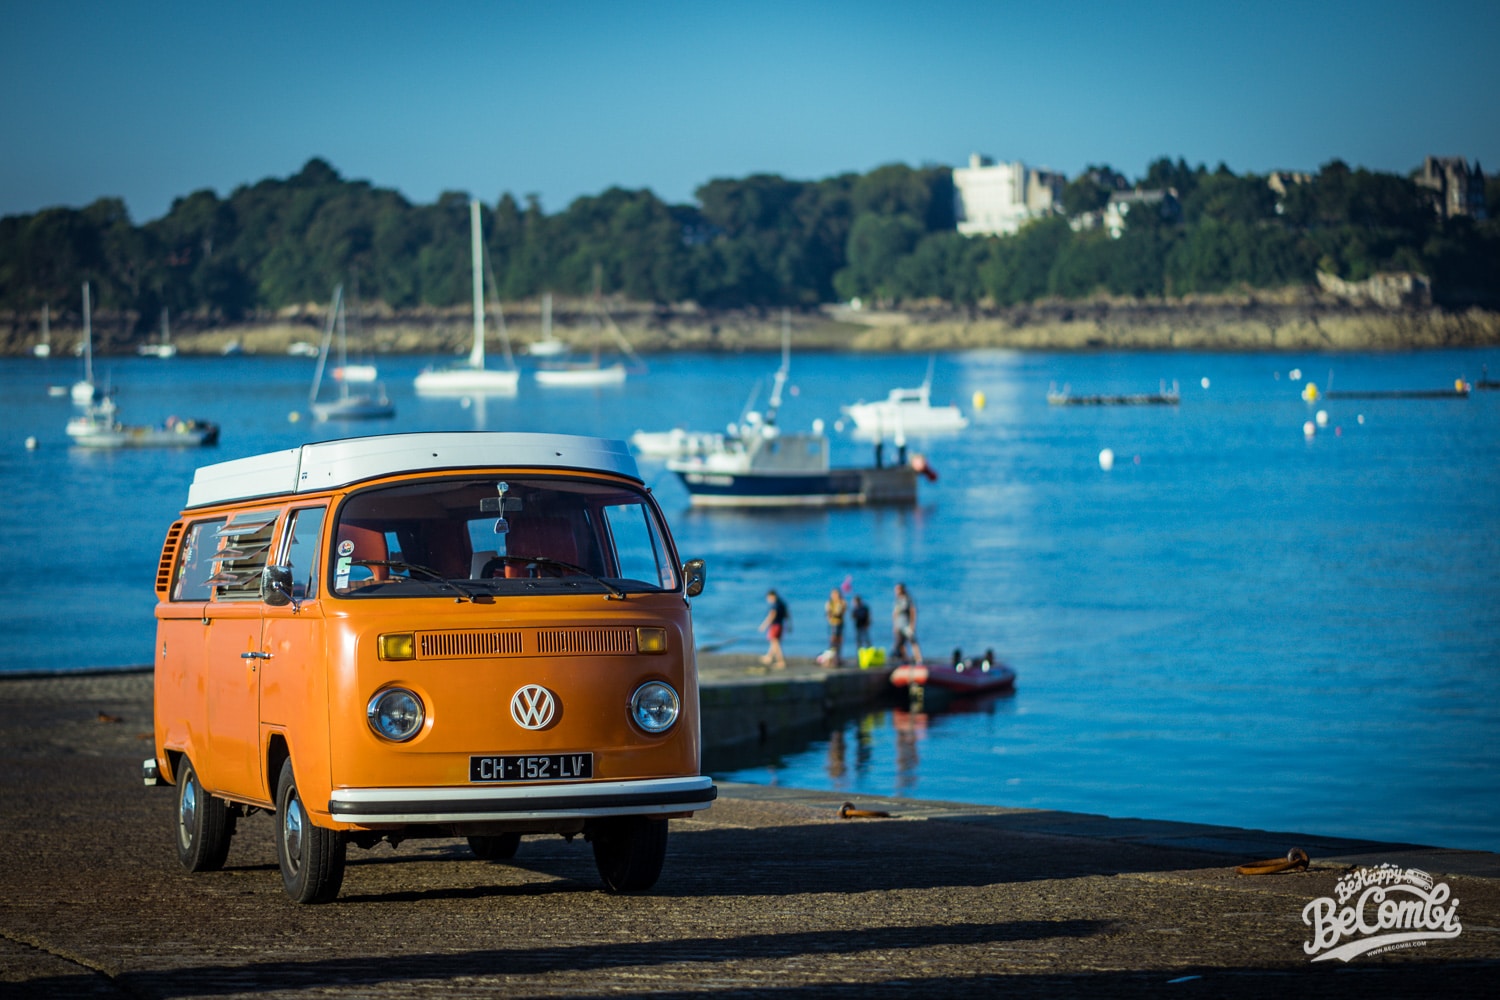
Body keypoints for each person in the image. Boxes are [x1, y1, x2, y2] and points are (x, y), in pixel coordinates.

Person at [891, 582, 923, 665]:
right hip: (899, 625)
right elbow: (895, 614)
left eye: (897, 589)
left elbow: (913, 611)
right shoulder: (897, 600)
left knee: (913, 641)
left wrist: (912, 624)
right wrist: (894, 625)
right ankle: (906, 660)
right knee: (901, 644)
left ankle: (918, 660)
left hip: (907, 625)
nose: (896, 591)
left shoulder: (908, 599)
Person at [758, 589, 789, 669]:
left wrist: (764, 625)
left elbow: (772, 616)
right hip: (780, 625)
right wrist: (789, 625)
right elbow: (787, 615)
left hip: (775, 625)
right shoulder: (782, 603)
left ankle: (781, 661)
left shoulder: (775, 605)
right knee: (774, 642)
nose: (768, 599)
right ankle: (769, 657)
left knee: (775, 643)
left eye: (768, 597)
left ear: (772, 596)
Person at [823, 588, 847, 667]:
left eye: (836, 594)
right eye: (833, 594)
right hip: (832, 624)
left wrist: (839, 608)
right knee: (832, 642)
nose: (834, 596)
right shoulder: (829, 603)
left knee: (839, 642)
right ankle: (830, 660)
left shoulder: (842, 602)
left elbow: (841, 612)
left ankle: (838, 659)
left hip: (839, 624)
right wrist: (832, 613)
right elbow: (828, 614)